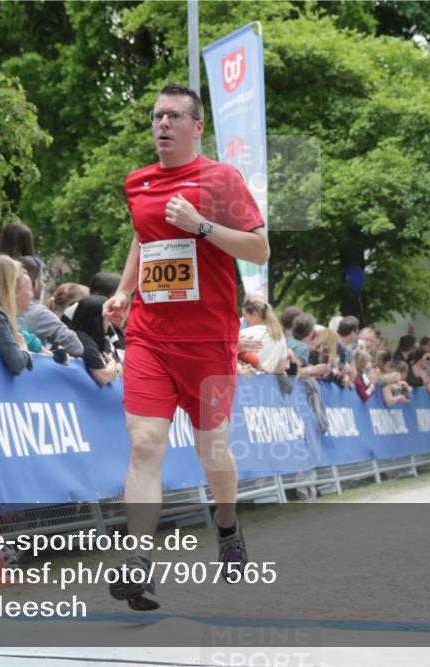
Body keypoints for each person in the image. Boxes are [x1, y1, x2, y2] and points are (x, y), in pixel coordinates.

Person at [102, 83, 269, 610]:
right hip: (150, 337)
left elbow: (259, 249)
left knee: (211, 452)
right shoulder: (138, 182)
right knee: (145, 444)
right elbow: (142, 236)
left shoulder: (222, 179)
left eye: (175, 116)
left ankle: (226, 525)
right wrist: (125, 290)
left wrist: (201, 227)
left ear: (198, 127)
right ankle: (139, 563)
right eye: (156, 116)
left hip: (209, 343)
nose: (163, 124)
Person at [17, 256, 83, 358]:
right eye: (42, 279)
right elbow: (76, 347)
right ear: (34, 283)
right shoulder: (39, 313)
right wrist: (54, 354)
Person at [71, 295, 122, 386]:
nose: (109, 324)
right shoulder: (83, 341)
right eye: (107, 319)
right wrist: (113, 365)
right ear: (97, 319)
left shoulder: (92, 339)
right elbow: (102, 376)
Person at [238, 296, 287, 374]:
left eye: (245, 316)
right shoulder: (280, 336)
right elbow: (281, 368)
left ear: (255, 314)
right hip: (269, 383)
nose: (243, 319)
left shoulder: (243, 335)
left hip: (247, 382)